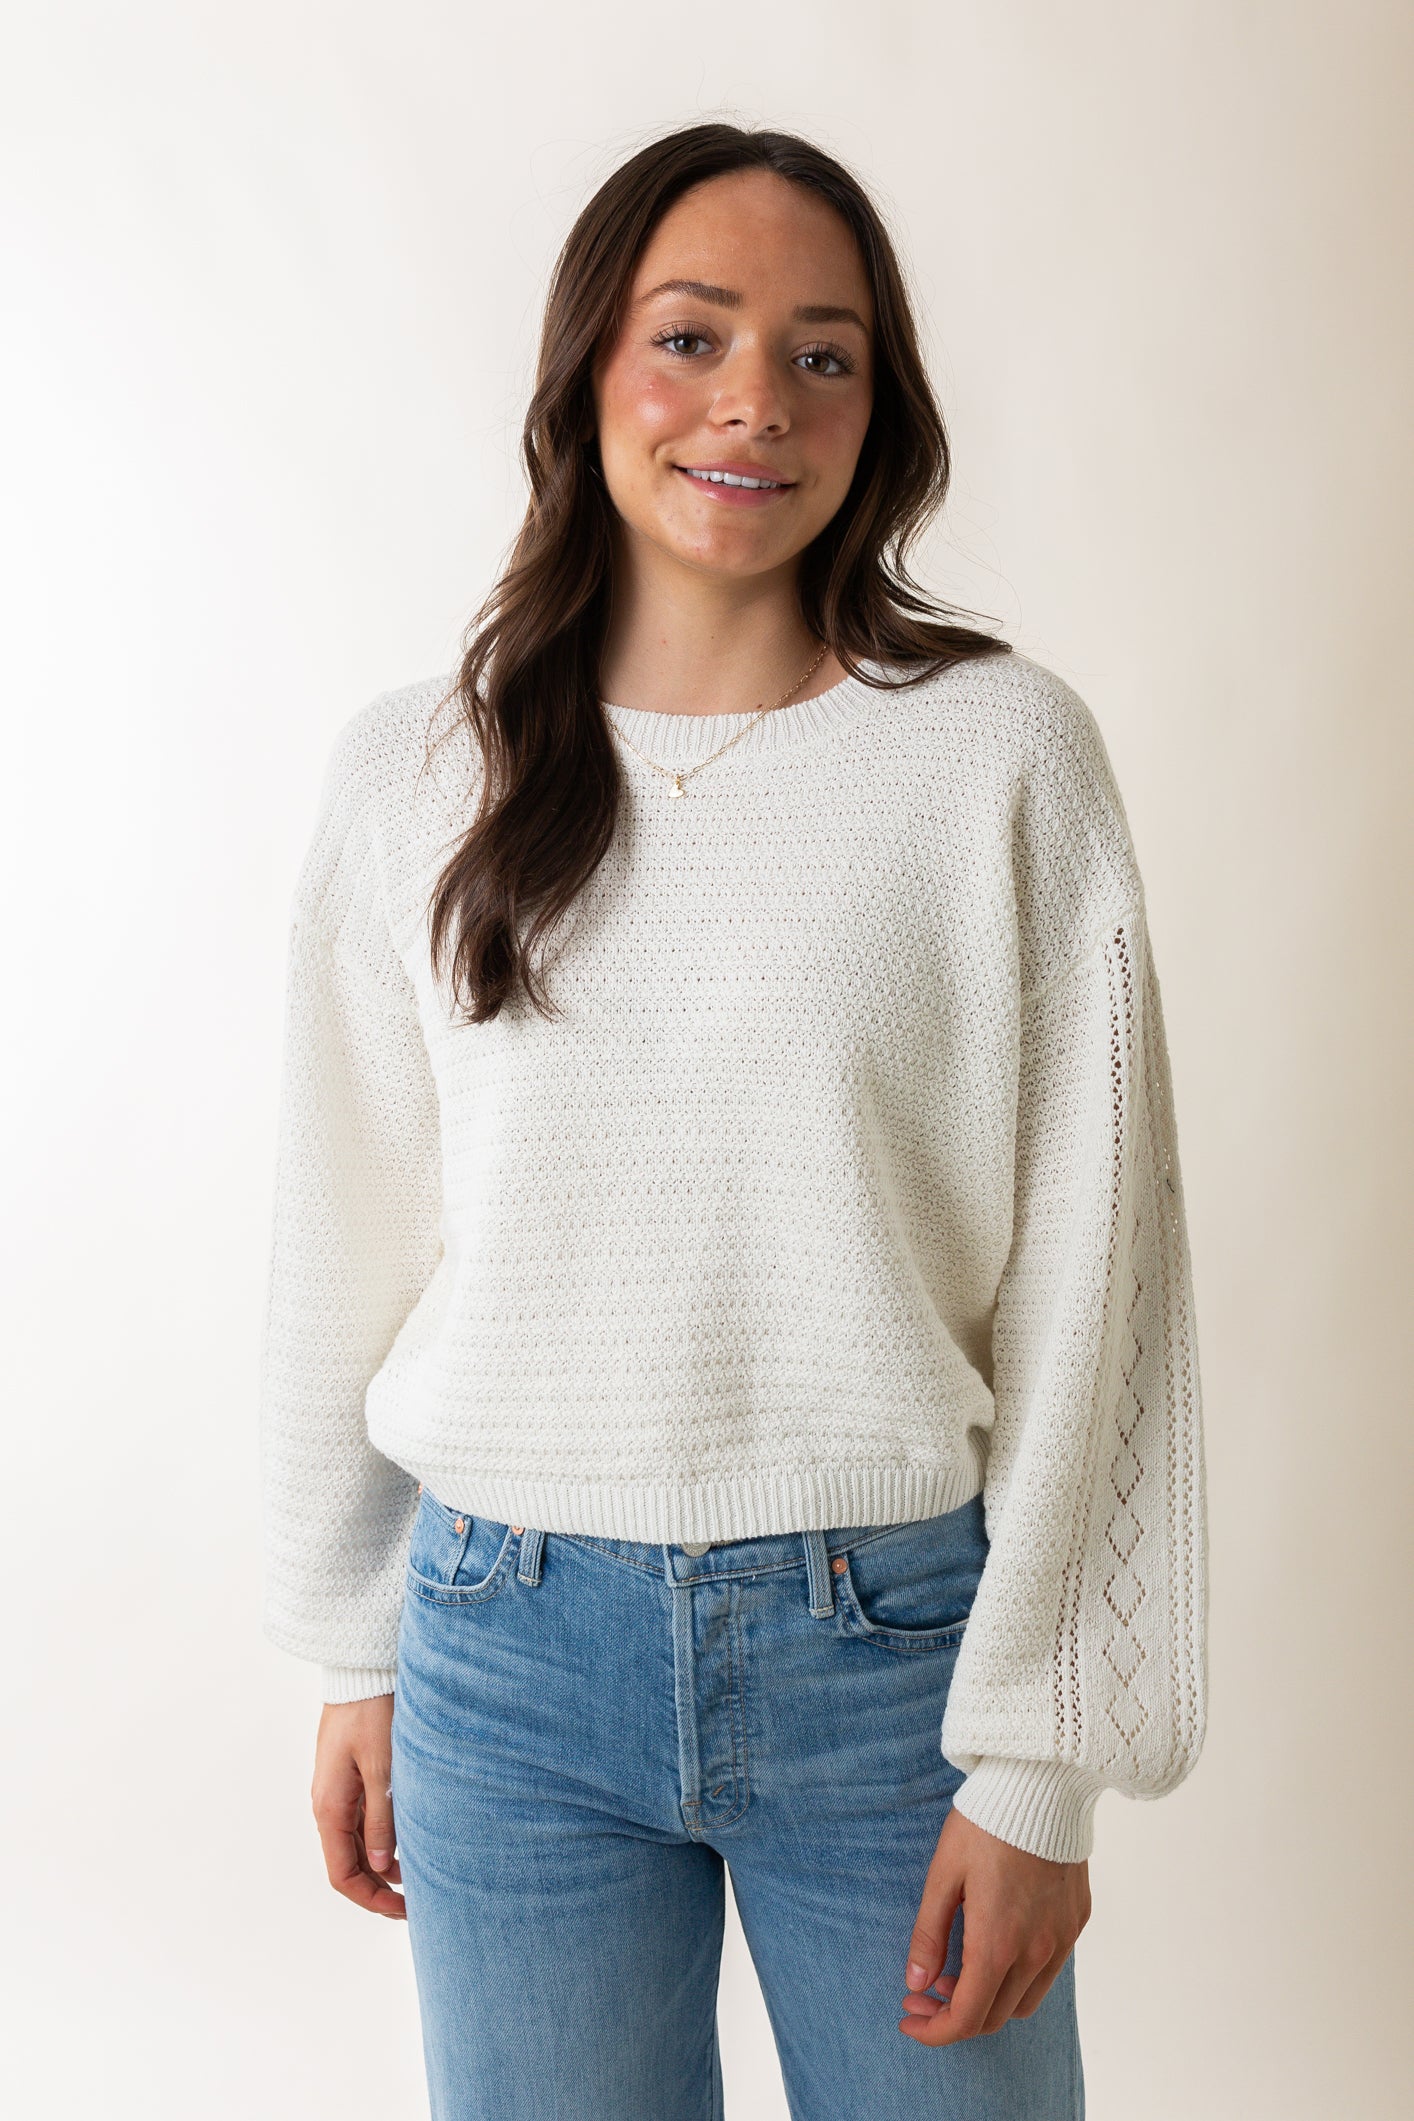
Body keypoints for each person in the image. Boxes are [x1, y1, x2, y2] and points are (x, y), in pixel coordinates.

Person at [259, 122, 1207, 2121]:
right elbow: (343, 1235)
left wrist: (1039, 1760)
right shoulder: (412, 775)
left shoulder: (995, 760)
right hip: (500, 1655)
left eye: (821, 353)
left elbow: (1097, 1282)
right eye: (689, 336)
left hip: (893, 1659)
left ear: (881, 405)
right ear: (586, 369)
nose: (754, 401)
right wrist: (353, 1644)